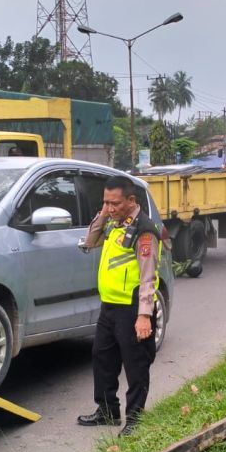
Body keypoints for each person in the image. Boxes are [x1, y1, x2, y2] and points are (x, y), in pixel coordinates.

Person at [76, 175, 163, 436]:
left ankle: (135, 418)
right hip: (110, 306)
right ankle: (107, 410)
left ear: (131, 200)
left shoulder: (144, 230)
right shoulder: (113, 224)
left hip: (132, 307)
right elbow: (90, 242)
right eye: (106, 202)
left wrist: (144, 316)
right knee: (102, 358)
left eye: (115, 203)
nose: (110, 208)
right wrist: (103, 214)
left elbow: (148, 277)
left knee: (135, 364)